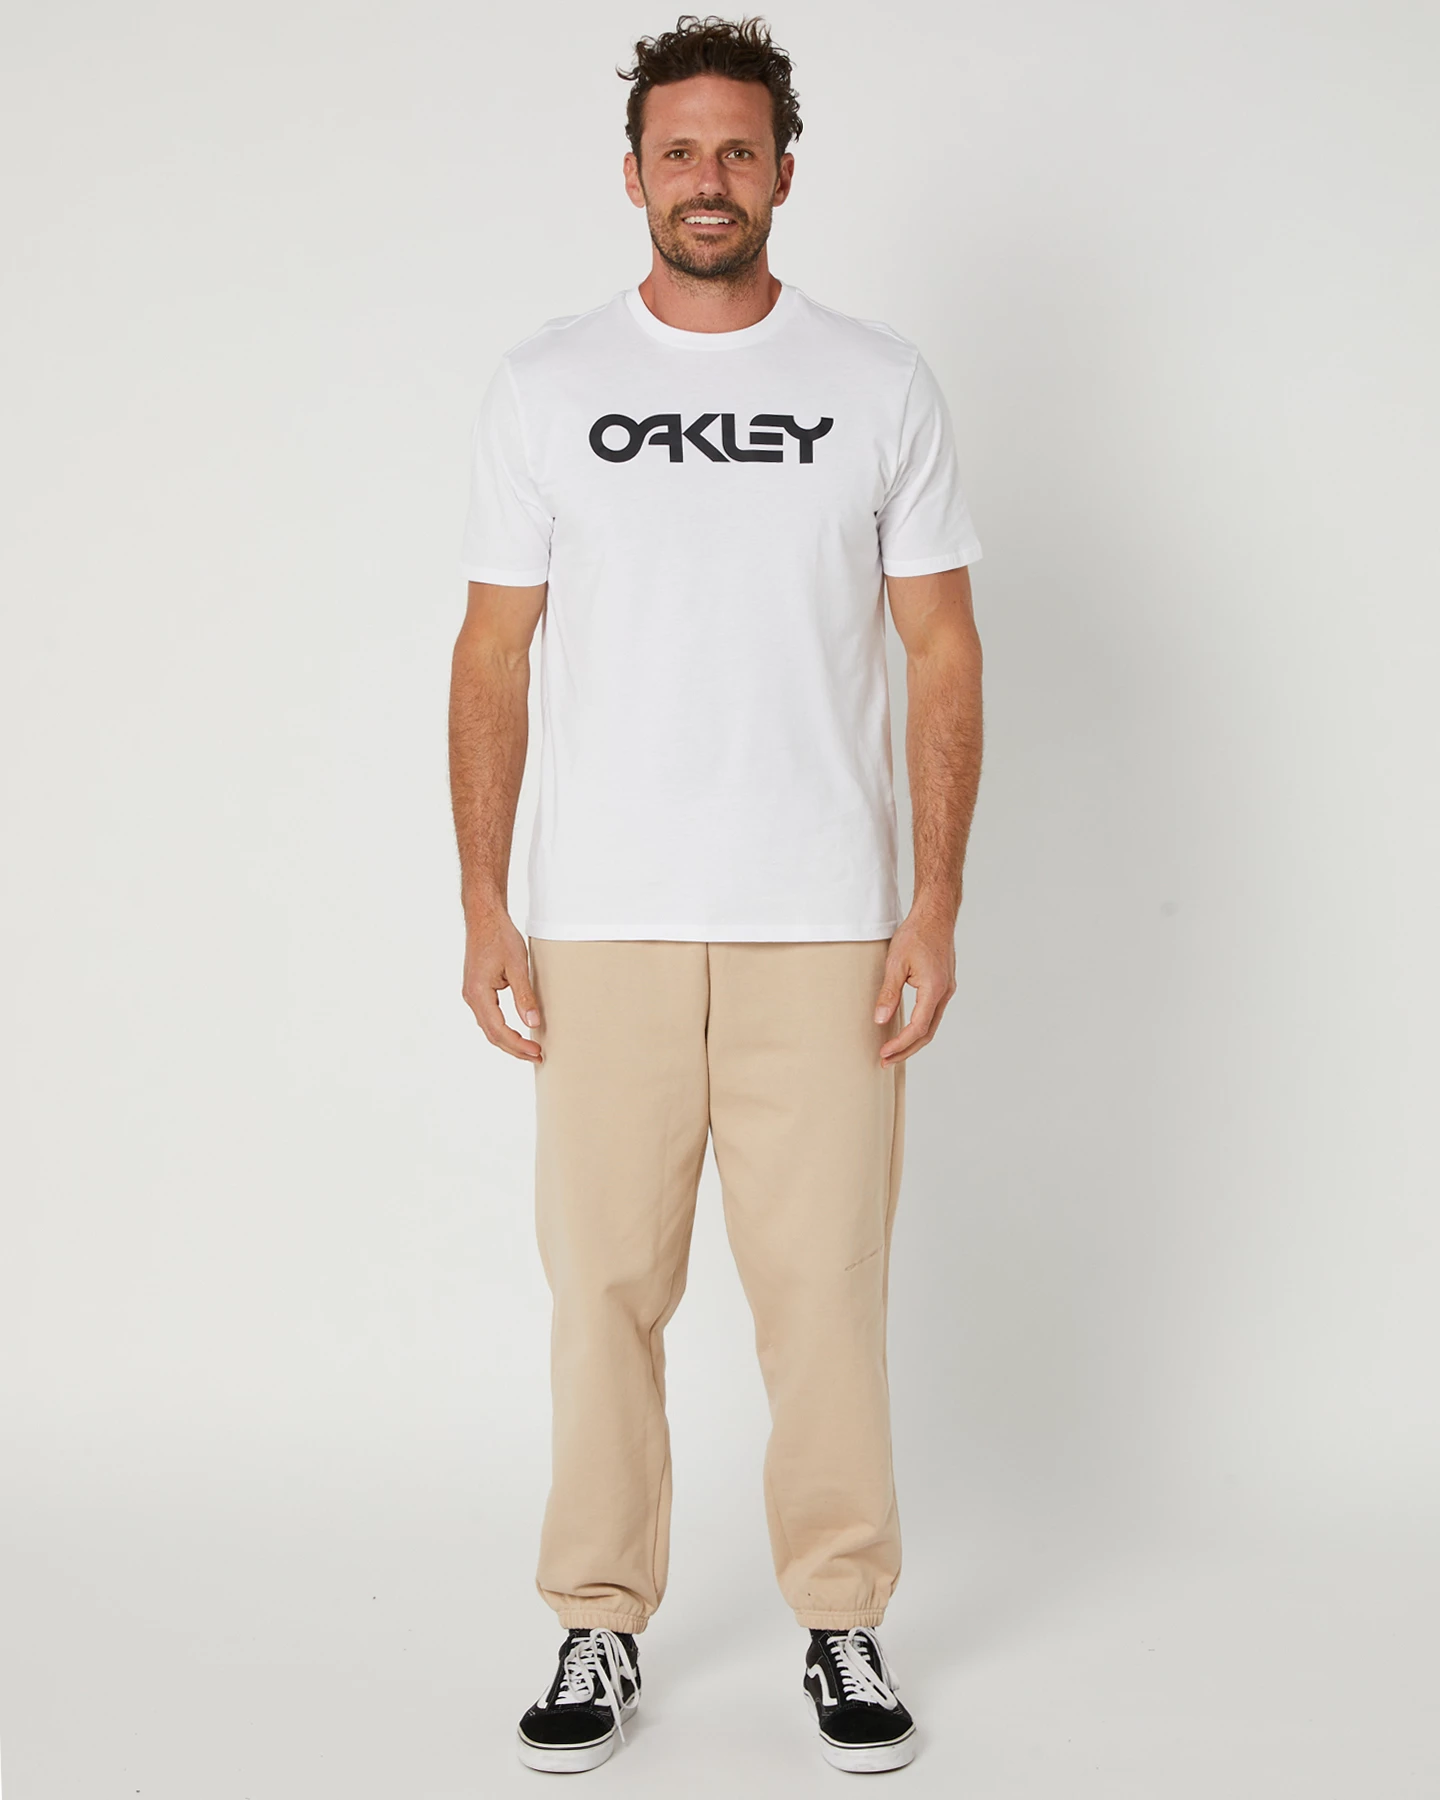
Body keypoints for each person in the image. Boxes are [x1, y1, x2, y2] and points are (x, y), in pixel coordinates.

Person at [449, 13, 984, 1774]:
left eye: (737, 150)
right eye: (677, 150)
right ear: (632, 175)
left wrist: (932, 904)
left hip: (822, 914)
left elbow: (941, 648)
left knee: (824, 1287)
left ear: (783, 174)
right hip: (600, 916)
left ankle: (841, 1616)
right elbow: (493, 655)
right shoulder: (546, 385)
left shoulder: (878, 381)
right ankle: (597, 1621)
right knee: (603, 1285)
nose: (707, 178)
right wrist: (485, 903)